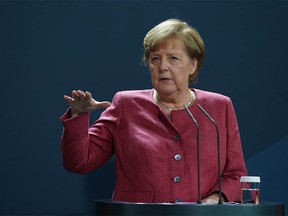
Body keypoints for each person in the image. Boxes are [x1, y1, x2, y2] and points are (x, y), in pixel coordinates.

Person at [60, 18, 248, 204]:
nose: (163, 67)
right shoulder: (126, 105)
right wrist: (78, 116)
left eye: (173, 58)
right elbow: (79, 162)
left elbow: (235, 176)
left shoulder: (219, 107)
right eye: (155, 59)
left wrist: (214, 200)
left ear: (193, 65)